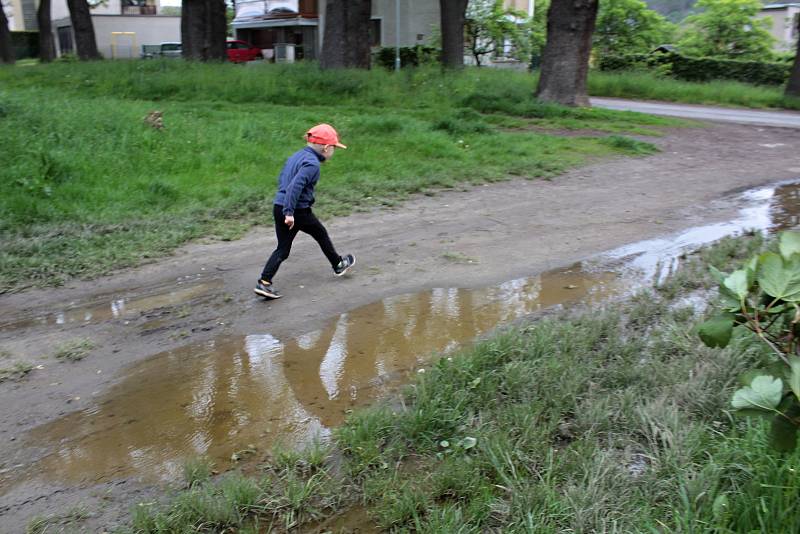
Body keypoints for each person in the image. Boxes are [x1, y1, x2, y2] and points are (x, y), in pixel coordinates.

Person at [254, 124, 355, 300]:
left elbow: (283, 179)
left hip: (279, 205)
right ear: (326, 148)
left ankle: (264, 282)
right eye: (334, 148)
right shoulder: (312, 164)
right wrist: (290, 212)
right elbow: (295, 186)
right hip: (296, 211)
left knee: (283, 249)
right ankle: (338, 264)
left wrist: (284, 207)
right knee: (321, 233)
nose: (334, 151)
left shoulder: (296, 156)